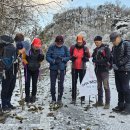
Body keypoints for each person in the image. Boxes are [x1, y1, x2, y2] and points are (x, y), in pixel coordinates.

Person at [46, 35, 70, 106]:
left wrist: (62, 59)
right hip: (53, 69)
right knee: (52, 84)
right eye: (58, 43)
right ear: (55, 42)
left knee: (60, 84)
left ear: (62, 42)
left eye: (60, 43)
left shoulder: (65, 48)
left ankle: (59, 99)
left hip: (62, 69)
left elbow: (68, 56)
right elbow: (47, 57)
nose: (59, 44)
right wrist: (53, 61)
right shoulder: (51, 47)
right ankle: (53, 98)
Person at [110, 32, 130, 114]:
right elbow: (113, 57)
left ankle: (128, 107)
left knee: (125, 89)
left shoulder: (126, 44)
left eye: (114, 40)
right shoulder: (114, 46)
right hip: (117, 70)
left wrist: (118, 64)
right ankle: (121, 105)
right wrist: (113, 64)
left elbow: (128, 56)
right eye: (112, 41)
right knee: (119, 88)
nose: (113, 42)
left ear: (118, 38)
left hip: (125, 70)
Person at [22, 38, 44, 103]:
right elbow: (23, 58)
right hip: (27, 70)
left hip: (36, 70)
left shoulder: (40, 51)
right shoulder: (27, 50)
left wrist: (41, 59)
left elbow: (40, 61)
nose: (37, 47)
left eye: (38, 46)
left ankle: (33, 96)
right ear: (33, 44)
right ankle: (27, 96)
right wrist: (27, 64)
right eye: (36, 46)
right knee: (27, 83)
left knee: (34, 84)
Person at [70, 35, 90, 104]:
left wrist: (85, 58)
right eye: (78, 42)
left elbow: (89, 57)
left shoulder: (85, 48)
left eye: (80, 42)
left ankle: (83, 98)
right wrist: (72, 58)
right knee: (74, 84)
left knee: (83, 83)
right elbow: (69, 56)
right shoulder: (73, 47)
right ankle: (73, 99)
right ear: (76, 41)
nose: (79, 43)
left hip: (82, 68)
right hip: (74, 68)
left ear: (82, 41)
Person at [92, 36, 111, 109]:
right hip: (97, 70)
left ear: (101, 41)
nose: (96, 43)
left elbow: (107, 59)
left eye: (97, 42)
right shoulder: (95, 50)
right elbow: (92, 58)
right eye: (95, 42)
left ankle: (107, 103)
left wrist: (96, 61)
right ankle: (100, 101)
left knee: (106, 86)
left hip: (104, 70)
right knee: (99, 86)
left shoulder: (106, 48)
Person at [0, 35, 17, 111]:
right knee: (5, 88)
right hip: (5, 71)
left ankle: (8, 102)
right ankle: (4, 105)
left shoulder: (13, 47)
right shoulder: (2, 48)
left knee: (11, 87)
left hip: (12, 70)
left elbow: (15, 57)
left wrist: (18, 59)